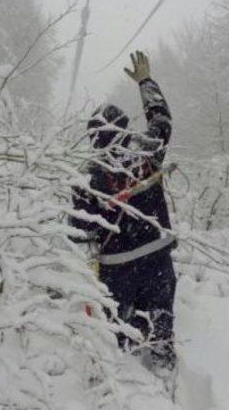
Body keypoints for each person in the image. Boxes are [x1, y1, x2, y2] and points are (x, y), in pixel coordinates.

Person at [70, 51, 177, 381]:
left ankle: (125, 387)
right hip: (157, 260)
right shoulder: (146, 151)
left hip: (117, 269)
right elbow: (161, 120)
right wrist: (145, 81)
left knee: (119, 332)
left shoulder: (86, 177)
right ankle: (162, 367)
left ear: (93, 138)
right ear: (126, 129)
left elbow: (81, 231)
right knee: (159, 321)